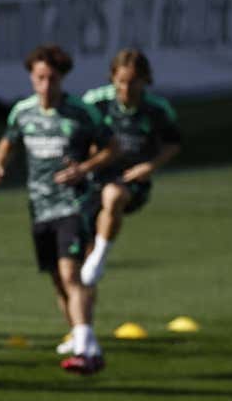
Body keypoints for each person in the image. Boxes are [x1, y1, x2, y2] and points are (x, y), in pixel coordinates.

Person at [0, 44, 118, 374]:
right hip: (39, 208)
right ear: (32, 77)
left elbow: (113, 147)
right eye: (40, 78)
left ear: (62, 78)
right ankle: (82, 336)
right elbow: (7, 142)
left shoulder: (81, 112)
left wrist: (84, 169)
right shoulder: (23, 112)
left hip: (73, 205)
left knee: (72, 272)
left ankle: (86, 349)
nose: (46, 85)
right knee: (59, 280)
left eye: (52, 79)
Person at [76, 49, 181, 288]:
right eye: (121, 81)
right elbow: (77, 134)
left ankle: (100, 256)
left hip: (131, 180)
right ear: (112, 78)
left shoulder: (157, 109)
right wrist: (88, 155)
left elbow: (173, 144)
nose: (126, 88)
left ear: (145, 80)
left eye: (133, 82)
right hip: (93, 179)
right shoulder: (96, 101)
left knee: (114, 196)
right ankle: (82, 321)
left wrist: (149, 166)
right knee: (77, 260)